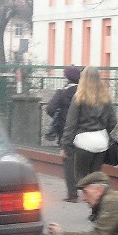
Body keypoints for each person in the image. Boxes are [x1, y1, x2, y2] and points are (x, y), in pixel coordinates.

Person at [61, 66, 117, 184]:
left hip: (83, 141)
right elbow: (113, 121)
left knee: (81, 178)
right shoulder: (105, 97)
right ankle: (97, 200)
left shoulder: (79, 97)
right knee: (95, 178)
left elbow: (70, 124)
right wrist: (103, 132)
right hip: (101, 141)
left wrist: (66, 144)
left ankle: (89, 199)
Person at [45, 66, 81, 202]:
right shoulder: (85, 92)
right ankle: (90, 194)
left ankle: (72, 194)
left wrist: (60, 115)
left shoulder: (62, 93)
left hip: (66, 132)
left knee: (69, 163)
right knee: (83, 163)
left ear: (67, 77)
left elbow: (50, 109)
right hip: (85, 132)